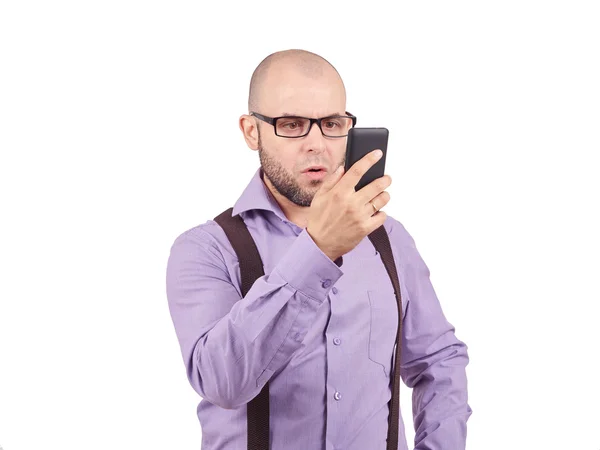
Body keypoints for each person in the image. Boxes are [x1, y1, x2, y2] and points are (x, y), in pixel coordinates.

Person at [165, 49, 472, 450]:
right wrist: (319, 249)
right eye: (291, 124)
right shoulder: (205, 249)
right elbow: (222, 382)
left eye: (331, 124)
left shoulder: (388, 237)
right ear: (251, 131)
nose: (318, 144)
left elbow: (438, 360)